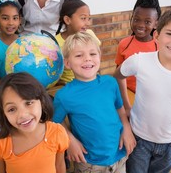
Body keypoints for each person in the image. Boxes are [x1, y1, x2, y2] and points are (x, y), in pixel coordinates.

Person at [113, 9, 171, 173]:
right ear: (157, 36)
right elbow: (118, 76)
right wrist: (126, 106)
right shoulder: (139, 61)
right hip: (139, 139)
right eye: (170, 34)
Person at [53, 32, 136, 172]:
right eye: (79, 55)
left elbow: (119, 108)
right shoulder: (64, 95)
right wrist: (71, 140)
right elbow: (55, 123)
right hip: (89, 163)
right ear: (67, 63)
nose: (87, 59)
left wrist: (127, 129)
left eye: (92, 54)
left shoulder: (110, 83)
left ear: (99, 57)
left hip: (119, 156)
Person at [0, 72, 69, 173]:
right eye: (12, 109)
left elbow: (59, 165)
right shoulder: (0, 143)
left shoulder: (57, 133)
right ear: (3, 113)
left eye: (28, 103)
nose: (23, 115)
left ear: (42, 101)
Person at [115, 0, 161, 109]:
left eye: (147, 22)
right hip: (126, 96)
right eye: (137, 20)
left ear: (156, 23)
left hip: (150, 100)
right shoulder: (124, 44)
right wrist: (125, 105)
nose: (140, 25)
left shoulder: (160, 48)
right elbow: (118, 75)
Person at [55, 0, 101, 84]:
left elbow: (97, 61)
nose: (87, 23)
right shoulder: (55, 43)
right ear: (67, 20)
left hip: (91, 83)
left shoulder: (90, 34)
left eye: (88, 18)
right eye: (83, 18)